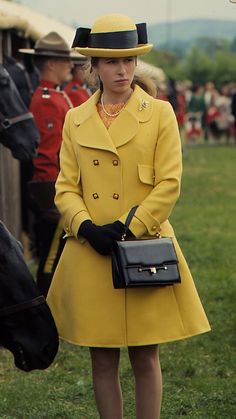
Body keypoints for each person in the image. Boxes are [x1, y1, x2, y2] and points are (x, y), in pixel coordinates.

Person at [47, 14, 211, 419]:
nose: (122, 70)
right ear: (95, 67)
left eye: (129, 61)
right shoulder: (74, 118)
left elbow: (169, 184)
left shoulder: (159, 113)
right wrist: (85, 226)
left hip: (143, 249)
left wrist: (127, 227)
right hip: (91, 252)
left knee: (145, 356)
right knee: (101, 360)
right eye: (111, 62)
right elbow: (66, 187)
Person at [19, 32, 74, 296]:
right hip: (50, 184)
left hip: (55, 182)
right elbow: (47, 153)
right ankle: (44, 309)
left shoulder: (54, 95)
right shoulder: (46, 100)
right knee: (51, 256)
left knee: (59, 252)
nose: (70, 66)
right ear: (51, 64)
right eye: (65, 61)